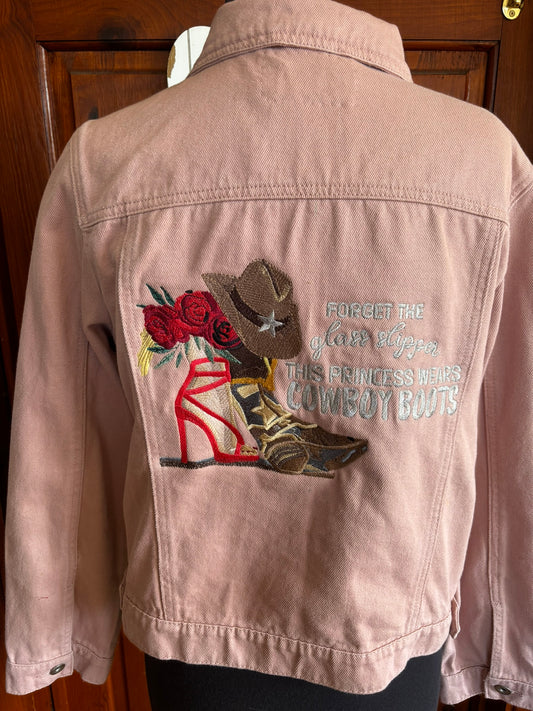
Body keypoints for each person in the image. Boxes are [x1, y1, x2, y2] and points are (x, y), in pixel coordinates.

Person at [5, 0, 532, 709]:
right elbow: (514, 436)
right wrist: (504, 637)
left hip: (193, 635)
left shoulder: (107, 163)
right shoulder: (484, 163)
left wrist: (55, 622)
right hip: (386, 630)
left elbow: (61, 438)